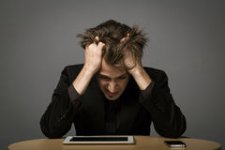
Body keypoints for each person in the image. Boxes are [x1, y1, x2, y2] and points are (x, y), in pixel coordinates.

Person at [40, 20, 186, 138]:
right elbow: (51, 130)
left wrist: (136, 70)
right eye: (103, 78)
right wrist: (88, 70)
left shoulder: (153, 78)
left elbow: (174, 130)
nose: (112, 88)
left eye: (122, 77)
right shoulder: (73, 76)